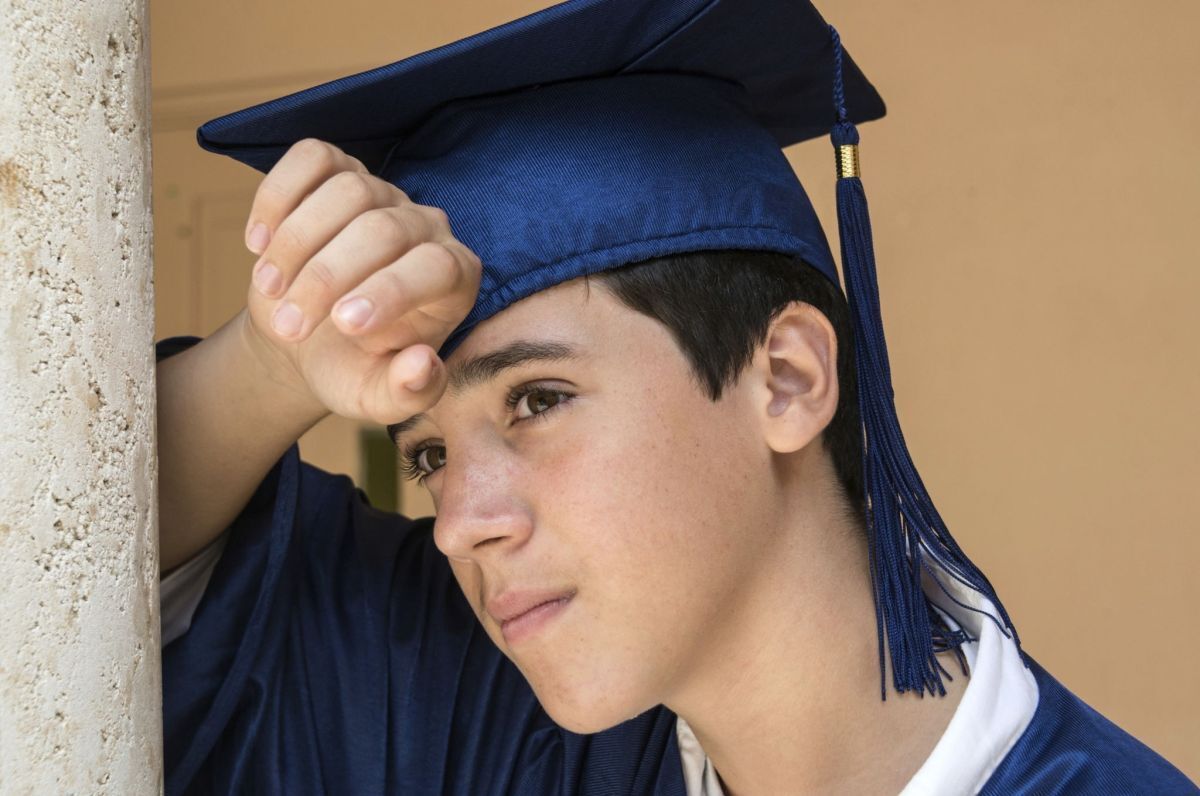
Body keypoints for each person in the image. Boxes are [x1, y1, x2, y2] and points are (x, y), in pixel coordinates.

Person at [156, 0, 1196, 793]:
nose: (460, 526)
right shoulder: (499, 733)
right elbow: (76, 580)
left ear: (786, 379)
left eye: (537, 399)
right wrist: (274, 363)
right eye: (426, 453)